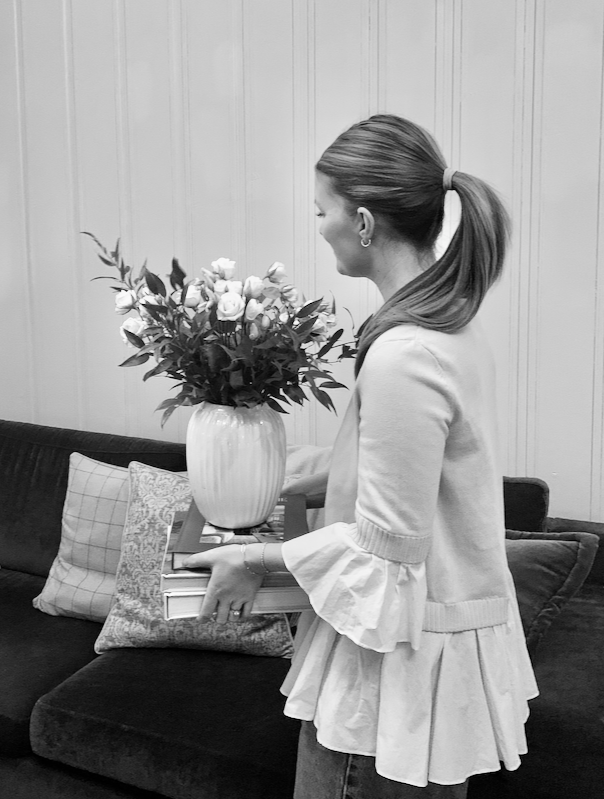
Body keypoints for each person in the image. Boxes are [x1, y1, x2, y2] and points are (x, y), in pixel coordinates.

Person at [183, 114, 538, 798]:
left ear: (365, 223)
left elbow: (388, 551)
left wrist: (252, 559)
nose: (320, 227)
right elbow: (410, 480)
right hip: (418, 662)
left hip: (390, 680)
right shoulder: (447, 327)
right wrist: (276, 476)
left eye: (323, 211)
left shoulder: (408, 353)